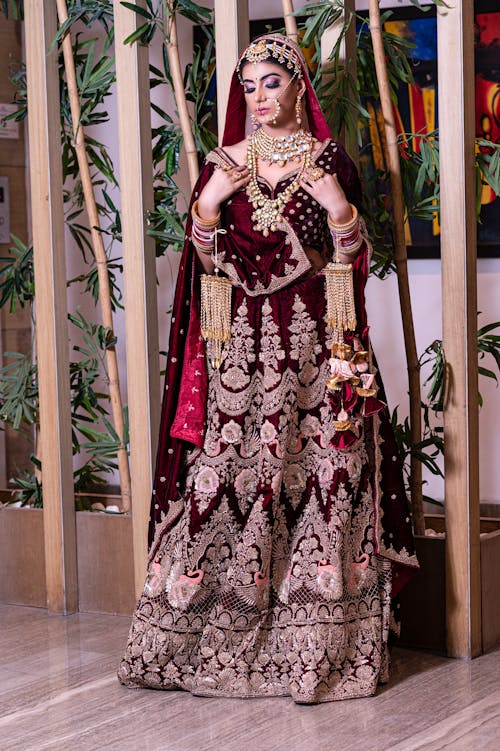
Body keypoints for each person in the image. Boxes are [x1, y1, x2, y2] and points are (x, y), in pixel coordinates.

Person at [118, 33, 418, 703]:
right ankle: (206, 634)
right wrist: (206, 204)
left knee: (322, 477)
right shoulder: (223, 162)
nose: (259, 98)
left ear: (297, 87)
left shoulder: (327, 158)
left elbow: (352, 262)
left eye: (270, 84)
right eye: (248, 86)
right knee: (225, 478)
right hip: (242, 357)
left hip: (316, 351)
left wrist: (338, 207)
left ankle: (318, 645)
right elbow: (203, 263)